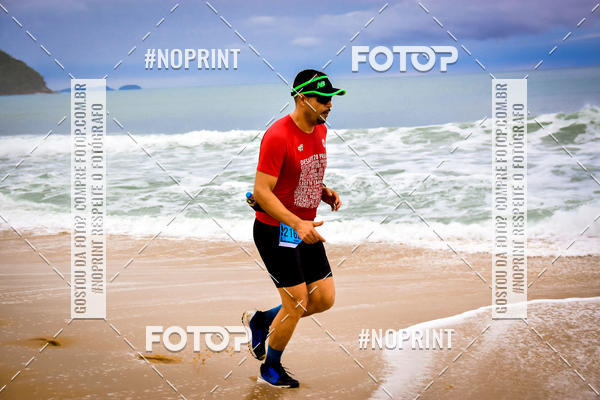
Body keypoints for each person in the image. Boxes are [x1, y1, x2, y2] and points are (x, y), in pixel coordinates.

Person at [242, 69, 345, 388]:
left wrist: (321, 190)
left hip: (303, 227)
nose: (329, 105)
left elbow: (298, 172)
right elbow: (261, 192)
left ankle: (262, 320)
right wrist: (297, 222)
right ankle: (270, 368)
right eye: (322, 99)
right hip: (275, 230)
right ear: (301, 98)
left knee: (323, 299)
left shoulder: (320, 129)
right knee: (297, 302)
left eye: (331, 99)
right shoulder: (277, 135)